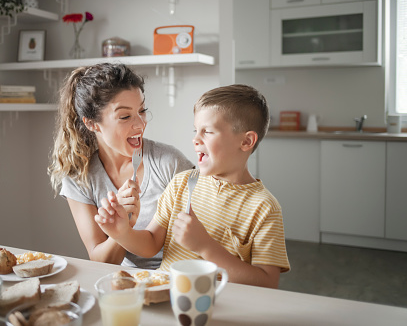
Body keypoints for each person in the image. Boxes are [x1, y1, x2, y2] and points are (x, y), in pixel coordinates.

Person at [95, 84, 290, 288]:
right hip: (166, 296)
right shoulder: (182, 183)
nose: (195, 139)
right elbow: (151, 242)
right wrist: (122, 233)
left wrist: (205, 247)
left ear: (246, 141)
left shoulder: (264, 207)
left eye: (207, 132)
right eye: (196, 130)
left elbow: (267, 283)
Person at [48, 63, 194, 270]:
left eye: (142, 111)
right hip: (124, 281)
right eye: (125, 116)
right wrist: (123, 226)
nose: (140, 124)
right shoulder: (79, 177)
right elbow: (101, 261)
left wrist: (124, 230)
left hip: (179, 277)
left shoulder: (170, 163)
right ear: (92, 124)